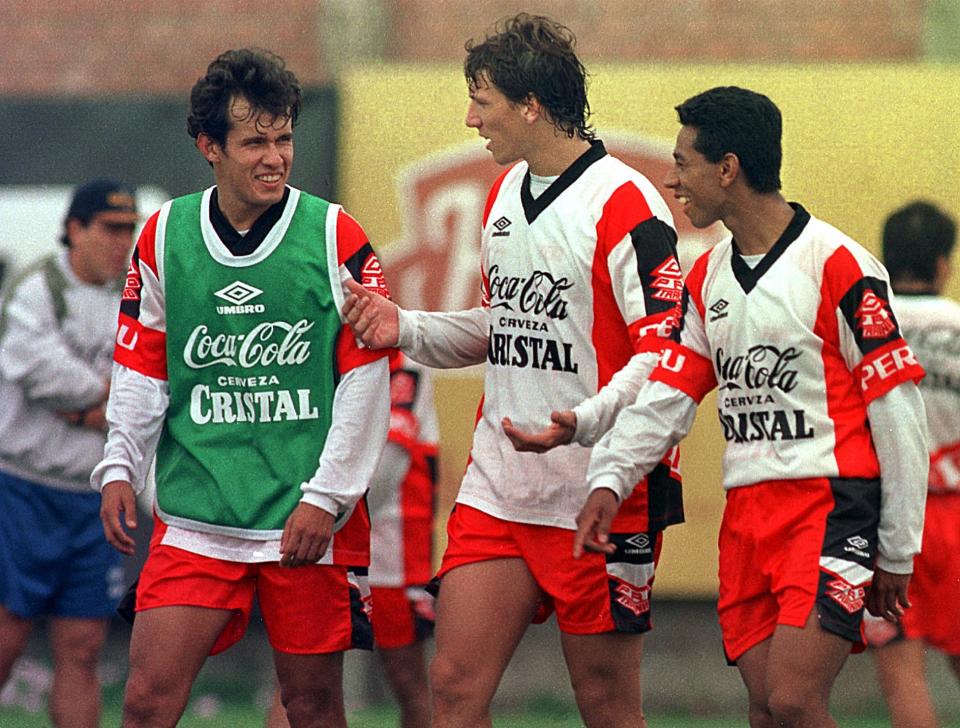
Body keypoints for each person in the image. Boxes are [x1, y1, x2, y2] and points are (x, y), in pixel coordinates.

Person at [543, 86, 928, 728]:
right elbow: (666, 395)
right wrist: (609, 479)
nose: (672, 181)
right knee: (764, 711)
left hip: (830, 508)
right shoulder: (706, 278)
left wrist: (897, 548)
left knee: (795, 702)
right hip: (747, 517)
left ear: (728, 168)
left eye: (684, 163)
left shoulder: (839, 265)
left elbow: (897, 409)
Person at [342, 13, 684, 728]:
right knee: (456, 690)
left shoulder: (625, 203)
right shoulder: (506, 196)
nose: (471, 118)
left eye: (483, 100)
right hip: (500, 488)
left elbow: (664, 356)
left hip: (601, 491)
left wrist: (584, 427)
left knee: (606, 705)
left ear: (531, 104)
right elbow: (503, 330)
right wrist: (401, 325)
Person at [92, 48, 391, 728]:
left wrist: (328, 497)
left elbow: (367, 381)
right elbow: (141, 368)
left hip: (304, 517)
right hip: (198, 518)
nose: (274, 157)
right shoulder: (165, 235)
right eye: (254, 141)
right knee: (144, 702)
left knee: (311, 707)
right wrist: (119, 464)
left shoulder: (334, 235)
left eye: (283, 139)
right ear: (209, 146)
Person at [0, 178, 138, 727]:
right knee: (7, 637)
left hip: (92, 496)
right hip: (22, 486)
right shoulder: (37, 287)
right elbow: (37, 371)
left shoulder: (139, 295)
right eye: (110, 228)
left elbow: (158, 380)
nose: (122, 241)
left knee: (82, 649)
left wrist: (87, 406)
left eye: (129, 229)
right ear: (75, 229)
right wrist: (114, 398)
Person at [266, 353, 440, 728]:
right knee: (301, 669)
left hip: (392, 535)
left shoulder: (400, 357)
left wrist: (330, 513)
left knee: (406, 675)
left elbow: (391, 460)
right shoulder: (307, 340)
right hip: (319, 521)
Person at [866, 201, 960, 727]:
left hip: (891, 520)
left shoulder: (868, 328)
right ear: (944, 263)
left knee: (903, 678)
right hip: (958, 516)